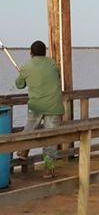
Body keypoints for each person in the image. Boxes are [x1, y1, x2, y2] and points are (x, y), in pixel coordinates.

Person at [14, 40, 64, 178]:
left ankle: (23, 151)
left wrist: (21, 73)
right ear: (44, 52)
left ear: (31, 53)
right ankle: (49, 169)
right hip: (54, 106)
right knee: (50, 138)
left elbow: (19, 85)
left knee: (29, 130)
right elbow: (57, 76)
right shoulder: (53, 63)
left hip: (36, 106)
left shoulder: (26, 67)